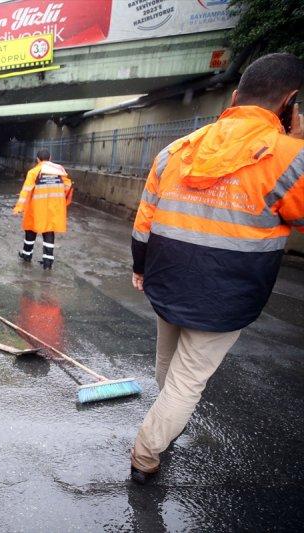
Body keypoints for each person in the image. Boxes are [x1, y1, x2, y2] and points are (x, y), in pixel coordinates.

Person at [129, 53, 304, 484]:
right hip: (227, 294)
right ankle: (146, 453)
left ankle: (166, 416)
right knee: (188, 381)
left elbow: (144, 218)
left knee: (168, 366)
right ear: (290, 101)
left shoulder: (176, 150)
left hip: (166, 279)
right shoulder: (291, 158)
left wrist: (140, 267)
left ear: (234, 96)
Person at [13, 149, 73, 270]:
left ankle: (26, 255)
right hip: (53, 207)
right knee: (49, 231)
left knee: (30, 229)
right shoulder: (59, 171)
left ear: (37, 159)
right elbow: (68, 186)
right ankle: (48, 262)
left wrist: (19, 207)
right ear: (50, 158)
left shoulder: (34, 172)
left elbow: (26, 190)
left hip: (36, 207)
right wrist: (63, 202)